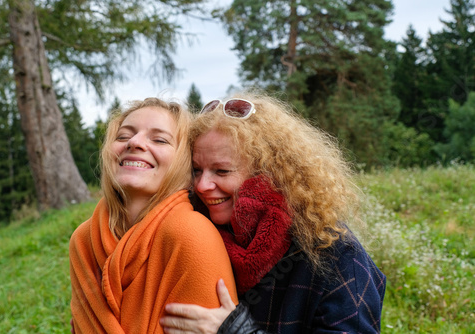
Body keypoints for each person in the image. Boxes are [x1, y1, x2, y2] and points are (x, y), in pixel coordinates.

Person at [159, 92, 386, 333]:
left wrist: (236, 330)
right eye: (196, 170)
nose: (202, 185)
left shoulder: (335, 255)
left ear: (270, 174)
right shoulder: (194, 232)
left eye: (222, 171)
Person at [69, 97, 237, 333]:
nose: (135, 143)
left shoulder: (191, 234)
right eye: (123, 136)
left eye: (159, 139)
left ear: (183, 162)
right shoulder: (84, 240)